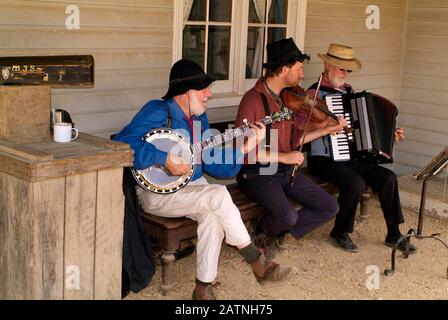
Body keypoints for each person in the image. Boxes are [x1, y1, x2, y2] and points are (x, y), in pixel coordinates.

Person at [113, 59, 297, 300]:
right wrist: (163, 158)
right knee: (219, 195)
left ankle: (203, 288)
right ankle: (256, 260)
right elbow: (121, 144)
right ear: (185, 92)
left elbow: (216, 166)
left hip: (195, 190)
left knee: (213, 215)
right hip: (157, 192)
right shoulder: (158, 110)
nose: (209, 95)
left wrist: (247, 146)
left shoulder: (200, 120)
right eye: (203, 89)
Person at [302, 43, 417, 253]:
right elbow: (301, 128)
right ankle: (340, 232)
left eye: (348, 69)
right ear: (327, 65)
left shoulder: (349, 92)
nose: (345, 74)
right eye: (340, 68)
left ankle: (394, 233)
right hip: (323, 159)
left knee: (388, 177)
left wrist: (388, 133)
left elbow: (362, 128)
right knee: (355, 183)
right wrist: (326, 125)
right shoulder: (313, 94)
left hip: (350, 156)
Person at [235, 38, 342, 258]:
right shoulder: (252, 101)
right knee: (287, 216)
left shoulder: (287, 100)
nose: (302, 75)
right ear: (284, 69)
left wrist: (325, 130)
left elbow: (294, 142)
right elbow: (242, 150)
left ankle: (272, 233)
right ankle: (265, 232)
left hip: (285, 171)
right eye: (299, 68)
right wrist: (285, 157)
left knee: (329, 206)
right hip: (258, 173)